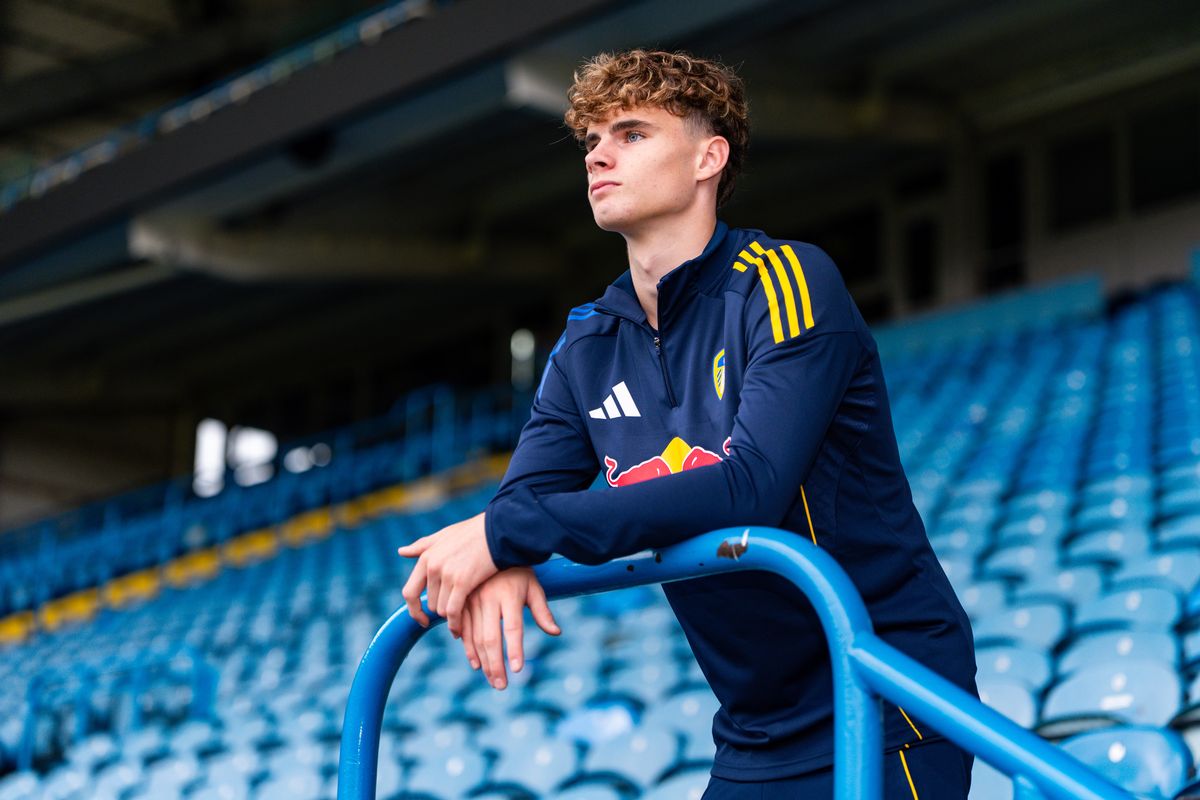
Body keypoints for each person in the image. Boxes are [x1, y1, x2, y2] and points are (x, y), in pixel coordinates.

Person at [398, 49, 978, 798]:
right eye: (592, 141)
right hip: (756, 725)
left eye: (632, 134)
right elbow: (524, 499)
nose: (598, 156)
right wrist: (505, 549)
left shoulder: (786, 281)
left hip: (884, 689)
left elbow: (750, 488)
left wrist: (507, 536)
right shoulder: (587, 343)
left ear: (710, 158)